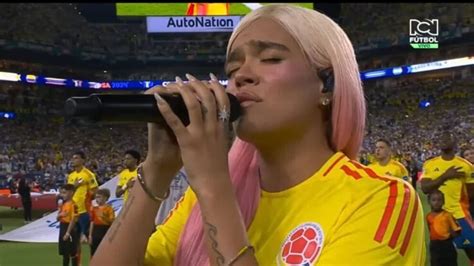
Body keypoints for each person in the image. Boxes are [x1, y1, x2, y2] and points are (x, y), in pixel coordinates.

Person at [91, 4, 425, 266]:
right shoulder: (205, 197)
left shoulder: (380, 199)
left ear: (328, 84)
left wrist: (212, 183)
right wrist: (157, 169)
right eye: (232, 70)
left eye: (270, 58)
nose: (241, 77)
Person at [421, 132, 474, 264]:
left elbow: (471, 193)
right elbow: (425, 188)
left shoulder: (466, 166)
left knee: (472, 249)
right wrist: (445, 176)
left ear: (455, 142)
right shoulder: (430, 164)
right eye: (441, 138)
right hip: (438, 217)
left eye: (448, 137)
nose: (444, 140)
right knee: (441, 255)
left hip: (459, 214)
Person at [67, 151, 98, 244]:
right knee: (74, 240)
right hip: (73, 210)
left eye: (76, 158)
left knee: (90, 238)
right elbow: (68, 193)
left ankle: (95, 257)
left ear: (83, 160)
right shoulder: (71, 176)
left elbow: (96, 191)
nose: (73, 160)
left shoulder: (88, 174)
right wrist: (74, 187)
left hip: (84, 210)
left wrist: (88, 199)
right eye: (73, 158)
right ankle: (76, 258)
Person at [426, 190, 461, 266]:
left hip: (447, 245)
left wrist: (450, 237)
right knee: (435, 262)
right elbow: (430, 229)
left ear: (443, 202)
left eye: (439, 200)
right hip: (434, 245)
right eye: (434, 200)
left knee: (450, 262)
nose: (436, 202)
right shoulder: (428, 217)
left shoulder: (447, 215)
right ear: (429, 201)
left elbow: (456, 230)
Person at [88, 188, 115, 257]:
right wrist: (90, 235)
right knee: (93, 251)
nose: (97, 199)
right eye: (96, 197)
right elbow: (92, 222)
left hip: (105, 230)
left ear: (105, 198)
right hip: (96, 230)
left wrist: (104, 218)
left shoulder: (109, 208)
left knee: (104, 252)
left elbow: (112, 221)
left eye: (99, 197)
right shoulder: (94, 209)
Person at [57, 184, 79, 266]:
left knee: (72, 252)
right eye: (62, 193)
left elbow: (74, 219)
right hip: (62, 227)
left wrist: (68, 232)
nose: (62, 195)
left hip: (69, 228)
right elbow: (58, 218)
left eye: (64, 193)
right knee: (64, 253)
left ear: (71, 193)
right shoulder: (64, 204)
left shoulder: (73, 205)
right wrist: (59, 214)